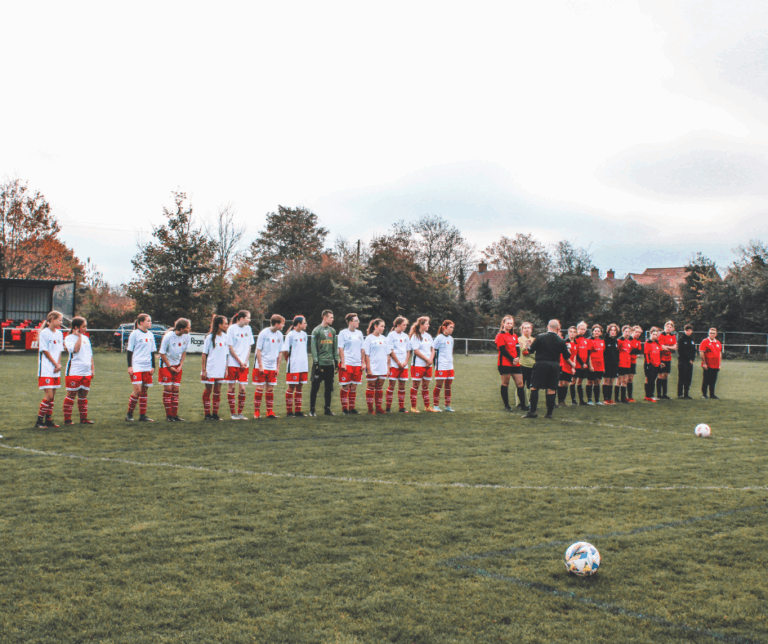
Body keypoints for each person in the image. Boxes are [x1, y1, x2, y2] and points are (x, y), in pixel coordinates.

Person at [522, 320, 573, 419]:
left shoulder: (540, 337)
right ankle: (549, 414)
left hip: (541, 364)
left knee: (535, 387)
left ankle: (533, 412)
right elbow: (567, 356)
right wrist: (569, 349)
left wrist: (528, 345)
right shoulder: (561, 340)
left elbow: (531, 350)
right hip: (554, 365)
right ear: (558, 328)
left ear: (547, 327)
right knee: (551, 389)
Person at [62, 316, 95, 425]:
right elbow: (75, 350)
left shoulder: (87, 338)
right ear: (76, 327)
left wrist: (92, 370)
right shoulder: (69, 338)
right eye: (83, 326)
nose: (85, 329)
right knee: (71, 395)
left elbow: (90, 356)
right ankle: (67, 419)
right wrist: (79, 337)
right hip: (74, 371)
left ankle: (84, 419)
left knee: (83, 395)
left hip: (86, 372)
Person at [35, 310, 65, 428]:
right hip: (46, 369)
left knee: (53, 396)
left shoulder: (59, 334)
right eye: (59, 320)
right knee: (49, 396)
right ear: (52, 319)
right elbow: (45, 350)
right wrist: (54, 364)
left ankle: (49, 420)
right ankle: (39, 421)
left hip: (55, 370)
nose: (61, 322)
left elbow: (60, 351)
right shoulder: (44, 333)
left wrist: (58, 365)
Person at [158, 318, 191, 422]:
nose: (190, 328)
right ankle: (169, 416)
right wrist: (169, 366)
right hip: (166, 366)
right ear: (181, 328)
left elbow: (184, 352)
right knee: (168, 389)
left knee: (176, 390)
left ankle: (175, 415)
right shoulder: (168, 337)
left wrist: (180, 365)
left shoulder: (187, 337)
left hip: (177, 366)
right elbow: (162, 353)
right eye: (188, 327)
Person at [126, 313, 157, 422]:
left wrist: (153, 366)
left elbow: (153, 351)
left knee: (144, 391)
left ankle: (142, 415)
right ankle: (129, 414)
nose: (150, 323)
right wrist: (130, 366)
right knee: (137, 390)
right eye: (148, 321)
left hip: (147, 366)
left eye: (150, 321)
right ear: (141, 323)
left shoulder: (151, 335)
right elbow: (129, 351)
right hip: (137, 366)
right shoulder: (134, 334)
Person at [254, 314, 285, 418]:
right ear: (276, 324)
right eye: (282, 324)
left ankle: (269, 412)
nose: (283, 326)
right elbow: (258, 350)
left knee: (270, 389)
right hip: (263, 365)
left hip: (272, 367)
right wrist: (260, 366)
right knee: (260, 388)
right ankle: (257, 412)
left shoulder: (280, 335)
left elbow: (280, 352)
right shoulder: (263, 333)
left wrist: (277, 367)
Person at [225, 310, 254, 420]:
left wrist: (245, 361)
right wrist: (239, 361)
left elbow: (250, 346)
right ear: (241, 318)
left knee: (242, 388)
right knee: (231, 387)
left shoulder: (248, 329)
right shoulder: (232, 329)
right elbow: (230, 347)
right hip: (233, 363)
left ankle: (240, 413)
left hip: (244, 364)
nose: (249, 320)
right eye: (248, 318)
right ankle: (233, 414)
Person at [310, 310, 338, 417]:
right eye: (331, 317)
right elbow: (313, 348)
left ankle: (327, 409)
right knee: (315, 387)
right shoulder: (316, 331)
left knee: (329, 387)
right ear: (324, 318)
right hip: (320, 364)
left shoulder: (332, 331)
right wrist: (316, 362)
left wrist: (336, 361)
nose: (332, 319)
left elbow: (334, 347)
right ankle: (312, 410)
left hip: (329, 365)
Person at [201, 314, 229, 420]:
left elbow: (226, 354)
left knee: (217, 391)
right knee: (208, 390)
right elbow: (204, 354)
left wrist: (226, 368)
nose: (227, 325)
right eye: (225, 324)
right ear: (219, 325)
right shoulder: (209, 337)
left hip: (221, 368)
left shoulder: (226, 337)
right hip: (210, 368)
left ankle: (215, 414)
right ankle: (207, 414)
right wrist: (204, 369)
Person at [495, 316, 526, 412]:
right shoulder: (500, 335)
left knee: (520, 384)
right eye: (507, 323)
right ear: (503, 324)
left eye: (511, 323)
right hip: (504, 363)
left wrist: (517, 358)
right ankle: (507, 405)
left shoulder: (514, 336)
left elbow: (517, 348)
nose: (509, 325)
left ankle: (523, 405)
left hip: (515, 364)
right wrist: (512, 359)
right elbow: (502, 350)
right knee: (505, 383)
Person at [338, 313, 365, 414]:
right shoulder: (343, 333)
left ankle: (351, 408)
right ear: (350, 322)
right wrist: (343, 363)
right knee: (345, 386)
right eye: (356, 320)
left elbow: (362, 349)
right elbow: (341, 349)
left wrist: (363, 363)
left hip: (357, 364)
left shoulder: (359, 333)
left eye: (358, 320)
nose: (358, 322)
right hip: (347, 363)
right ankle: (345, 408)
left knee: (354, 386)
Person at [283, 316, 309, 417]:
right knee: (291, 387)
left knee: (300, 387)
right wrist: (290, 361)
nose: (305, 324)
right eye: (304, 323)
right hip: (294, 366)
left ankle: (298, 411)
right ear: (298, 324)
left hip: (303, 365)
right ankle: (289, 412)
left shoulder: (304, 334)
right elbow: (285, 351)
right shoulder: (290, 335)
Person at [408, 317, 436, 413]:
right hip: (418, 365)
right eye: (427, 324)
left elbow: (433, 349)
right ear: (421, 325)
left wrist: (431, 359)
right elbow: (416, 351)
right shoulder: (415, 336)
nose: (428, 325)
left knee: (425, 386)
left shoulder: (428, 336)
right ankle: (413, 407)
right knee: (415, 385)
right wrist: (427, 359)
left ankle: (427, 406)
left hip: (428, 365)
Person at [363, 318, 389, 414]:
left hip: (382, 367)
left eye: (383, 326)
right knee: (371, 387)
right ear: (375, 326)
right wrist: (368, 368)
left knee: (379, 387)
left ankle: (378, 408)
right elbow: (366, 355)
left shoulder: (384, 339)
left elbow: (388, 354)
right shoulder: (369, 339)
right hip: (373, 367)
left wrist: (388, 368)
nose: (383, 328)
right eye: (381, 326)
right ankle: (370, 409)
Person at [386, 316, 411, 413]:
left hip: (404, 365)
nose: (405, 327)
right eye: (404, 325)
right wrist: (398, 362)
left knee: (402, 386)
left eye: (406, 325)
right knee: (391, 385)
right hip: (394, 365)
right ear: (398, 325)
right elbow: (390, 350)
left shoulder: (405, 336)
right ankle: (388, 407)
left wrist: (405, 362)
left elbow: (408, 351)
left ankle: (401, 407)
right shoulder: (391, 335)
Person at [432, 320, 456, 412]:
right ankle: (436, 405)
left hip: (450, 365)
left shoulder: (451, 339)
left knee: (448, 386)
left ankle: (447, 406)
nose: (452, 329)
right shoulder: (439, 338)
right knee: (439, 385)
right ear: (444, 327)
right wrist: (435, 364)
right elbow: (433, 350)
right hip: (441, 365)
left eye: (453, 328)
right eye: (450, 327)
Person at [657, 320, 678, 399]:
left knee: (666, 375)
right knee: (660, 375)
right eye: (667, 327)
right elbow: (662, 348)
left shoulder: (673, 336)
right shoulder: (661, 335)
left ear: (672, 328)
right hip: (661, 358)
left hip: (668, 358)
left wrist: (668, 347)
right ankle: (659, 394)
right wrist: (670, 348)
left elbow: (675, 347)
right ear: (664, 327)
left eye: (670, 327)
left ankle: (664, 394)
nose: (668, 328)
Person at [699, 327, 722, 399]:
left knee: (713, 380)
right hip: (708, 365)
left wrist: (719, 363)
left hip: (716, 365)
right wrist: (704, 363)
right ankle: (704, 394)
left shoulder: (718, 342)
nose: (712, 334)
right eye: (710, 333)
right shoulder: (704, 341)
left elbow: (719, 353)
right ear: (708, 333)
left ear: (716, 334)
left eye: (713, 333)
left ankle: (712, 394)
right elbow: (701, 352)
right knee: (706, 380)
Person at [557, 326, 577, 407]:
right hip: (563, 365)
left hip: (570, 366)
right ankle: (559, 401)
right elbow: (566, 356)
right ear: (568, 333)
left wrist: (573, 367)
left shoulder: (575, 344)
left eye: (574, 332)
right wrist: (572, 363)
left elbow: (575, 355)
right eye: (570, 331)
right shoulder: (565, 342)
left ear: (576, 333)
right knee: (561, 383)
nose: (572, 333)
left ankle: (563, 401)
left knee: (566, 384)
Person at [587, 324, 605, 405]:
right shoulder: (589, 341)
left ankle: (597, 400)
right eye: (595, 331)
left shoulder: (602, 341)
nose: (597, 332)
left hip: (600, 365)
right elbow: (588, 354)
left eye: (599, 331)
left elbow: (602, 354)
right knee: (590, 381)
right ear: (592, 332)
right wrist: (590, 365)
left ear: (601, 333)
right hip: (592, 365)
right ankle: (589, 400)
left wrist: (603, 366)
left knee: (597, 382)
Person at [677, 324, 696, 399]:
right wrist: (689, 359)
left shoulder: (692, 339)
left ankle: (686, 394)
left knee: (688, 378)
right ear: (685, 331)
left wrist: (692, 359)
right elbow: (681, 350)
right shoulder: (681, 339)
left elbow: (694, 350)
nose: (688, 332)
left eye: (690, 330)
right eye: (687, 330)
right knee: (682, 378)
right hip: (683, 361)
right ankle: (680, 394)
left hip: (690, 362)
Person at [602, 323, 620, 405]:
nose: (613, 332)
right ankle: (605, 399)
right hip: (607, 364)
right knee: (606, 381)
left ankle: (609, 398)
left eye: (614, 330)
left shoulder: (616, 341)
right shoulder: (605, 340)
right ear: (608, 331)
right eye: (611, 330)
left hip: (614, 364)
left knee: (611, 381)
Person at [573, 322, 590, 405]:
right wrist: (582, 363)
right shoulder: (575, 339)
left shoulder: (585, 339)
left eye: (584, 329)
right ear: (578, 329)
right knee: (573, 381)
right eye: (581, 329)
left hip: (583, 365)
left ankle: (581, 400)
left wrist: (586, 363)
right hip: (577, 364)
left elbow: (587, 353)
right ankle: (573, 400)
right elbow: (575, 352)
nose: (583, 330)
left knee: (580, 381)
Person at [616, 325, 634, 403]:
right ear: (623, 332)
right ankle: (616, 398)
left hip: (627, 363)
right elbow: (617, 351)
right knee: (619, 380)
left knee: (625, 381)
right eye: (626, 331)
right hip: (621, 363)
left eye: (629, 332)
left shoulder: (629, 341)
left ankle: (623, 398)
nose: (627, 333)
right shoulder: (619, 340)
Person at [643, 327, 662, 402]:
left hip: (657, 364)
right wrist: (648, 363)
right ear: (650, 334)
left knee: (653, 380)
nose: (655, 336)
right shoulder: (648, 342)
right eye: (653, 334)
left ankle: (651, 395)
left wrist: (660, 362)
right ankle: (648, 396)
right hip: (650, 364)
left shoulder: (657, 343)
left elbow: (659, 353)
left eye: (656, 335)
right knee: (649, 380)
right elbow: (646, 354)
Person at [518, 321, 536, 395]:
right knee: (520, 384)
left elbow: (536, 352)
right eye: (525, 328)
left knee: (531, 385)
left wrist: (530, 350)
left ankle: (530, 403)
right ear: (522, 330)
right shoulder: (520, 339)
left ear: (531, 329)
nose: (527, 329)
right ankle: (519, 403)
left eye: (528, 328)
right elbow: (524, 352)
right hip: (523, 364)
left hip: (533, 365)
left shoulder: (534, 340)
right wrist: (530, 350)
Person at [628, 325, 644, 403]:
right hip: (626, 362)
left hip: (633, 361)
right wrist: (634, 351)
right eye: (636, 332)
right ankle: (622, 397)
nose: (637, 334)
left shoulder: (638, 341)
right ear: (632, 331)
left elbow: (638, 351)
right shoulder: (628, 339)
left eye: (639, 333)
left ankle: (630, 396)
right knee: (624, 379)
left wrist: (633, 350)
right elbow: (629, 351)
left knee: (630, 379)